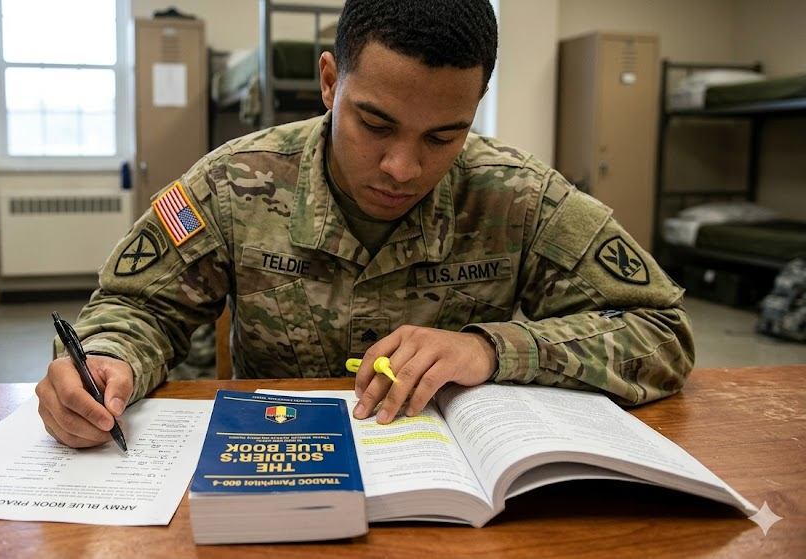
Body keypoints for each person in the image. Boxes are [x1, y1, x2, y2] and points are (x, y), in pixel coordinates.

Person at [37, 0, 694, 448]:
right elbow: (137, 306)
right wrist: (105, 358)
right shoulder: (232, 183)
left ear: (476, 107)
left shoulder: (519, 197)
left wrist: (492, 348)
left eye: (444, 136)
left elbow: (662, 332)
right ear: (329, 82)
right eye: (375, 124)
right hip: (280, 469)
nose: (402, 167)